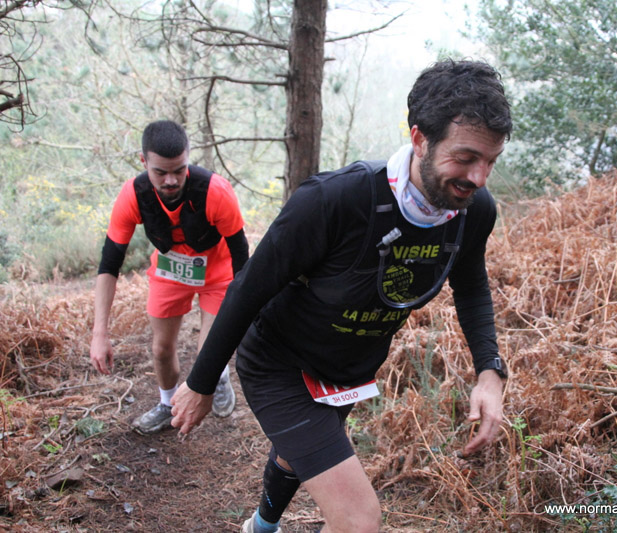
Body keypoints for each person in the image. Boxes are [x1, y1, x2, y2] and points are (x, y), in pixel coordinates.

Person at [171, 59, 512, 533]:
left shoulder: (473, 212)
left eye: (490, 161)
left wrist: (490, 372)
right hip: (279, 364)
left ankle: (260, 526)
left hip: (350, 368)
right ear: (419, 139)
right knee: (358, 519)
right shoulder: (335, 200)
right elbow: (249, 287)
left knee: (296, 453)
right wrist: (201, 383)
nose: (478, 177)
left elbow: (470, 283)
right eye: (466, 157)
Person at [89, 120, 249, 434]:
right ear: (143, 161)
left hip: (217, 273)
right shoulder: (133, 194)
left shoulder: (216, 191)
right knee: (161, 350)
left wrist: (246, 313)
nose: (171, 180)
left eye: (179, 169)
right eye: (160, 172)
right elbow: (109, 264)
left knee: (209, 350)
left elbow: (241, 258)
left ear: (188, 157)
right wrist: (99, 333)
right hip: (170, 272)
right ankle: (166, 404)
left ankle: (218, 376)